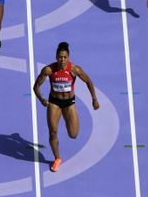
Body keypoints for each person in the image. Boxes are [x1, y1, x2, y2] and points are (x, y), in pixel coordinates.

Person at [32, 42, 99, 172]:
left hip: (69, 103)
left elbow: (88, 81)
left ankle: (69, 116)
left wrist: (94, 99)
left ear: (68, 57)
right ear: (56, 57)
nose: (62, 60)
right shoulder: (49, 70)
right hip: (54, 103)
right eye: (60, 57)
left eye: (64, 57)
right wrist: (41, 99)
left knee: (73, 134)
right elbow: (36, 87)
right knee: (52, 132)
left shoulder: (74, 69)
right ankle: (57, 158)